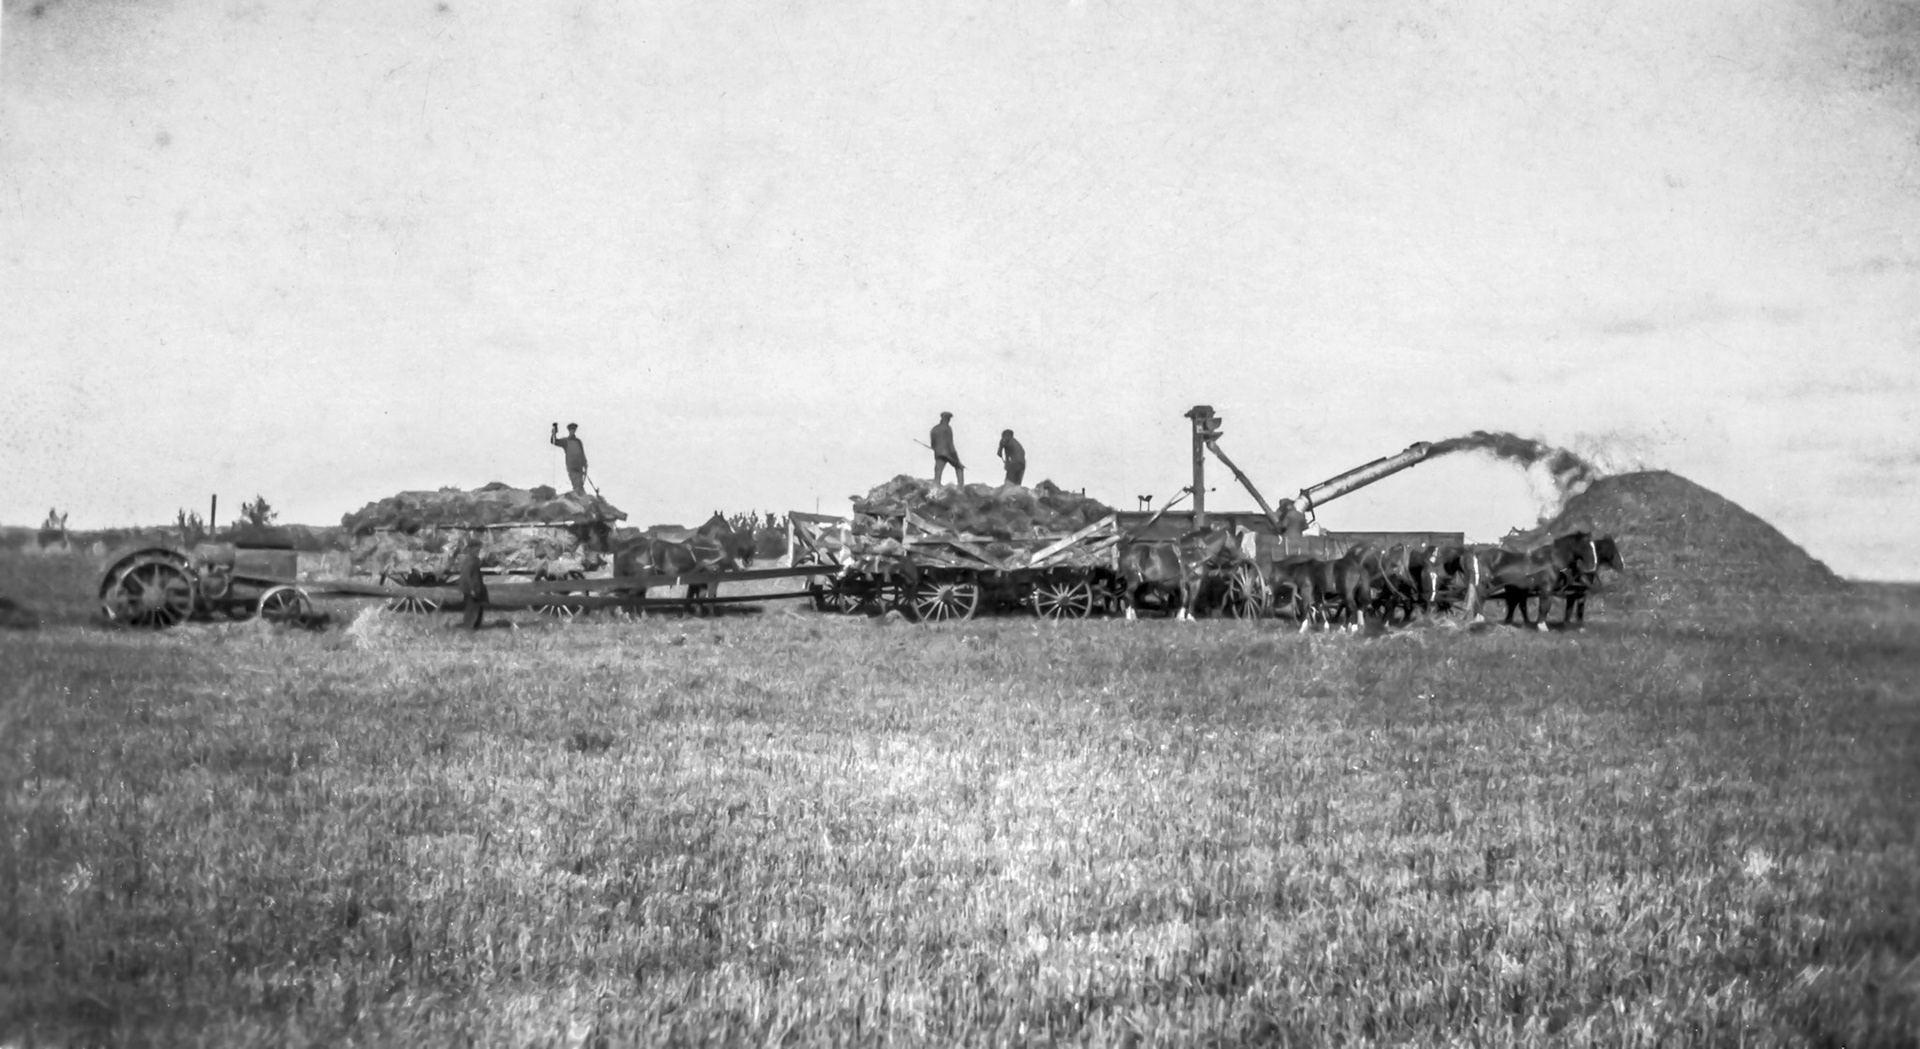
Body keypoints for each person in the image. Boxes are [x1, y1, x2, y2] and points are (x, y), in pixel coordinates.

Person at [550, 422, 590, 496]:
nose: (572, 431)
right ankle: (580, 496)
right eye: (571, 430)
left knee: (579, 484)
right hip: (571, 466)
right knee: (576, 484)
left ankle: (581, 496)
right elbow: (553, 441)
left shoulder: (578, 441)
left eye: (574, 430)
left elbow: (582, 453)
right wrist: (554, 432)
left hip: (579, 466)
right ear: (569, 430)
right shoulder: (565, 441)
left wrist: (585, 464)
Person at [459, 539, 489, 630]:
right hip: (471, 588)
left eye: (479, 547)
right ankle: (469, 627)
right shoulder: (469, 560)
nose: (479, 549)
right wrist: (471, 589)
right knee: (471, 608)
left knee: (478, 608)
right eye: (477, 547)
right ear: (471, 548)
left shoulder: (474, 559)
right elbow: (466, 575)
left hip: (477, 587)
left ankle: (476, 626)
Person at [930, 411, 965, 486]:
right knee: (960, 468)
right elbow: (950, 444)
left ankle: (936, 486)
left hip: (938, 453)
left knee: (938, 471)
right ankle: (961, 487)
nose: (949, 420)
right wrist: (957, 459)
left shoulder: (934, 429)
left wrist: (936, 449)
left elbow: (932, 445)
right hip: (947, 453)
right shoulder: (947, 428)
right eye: (949, 419)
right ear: (947, 419)